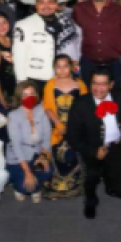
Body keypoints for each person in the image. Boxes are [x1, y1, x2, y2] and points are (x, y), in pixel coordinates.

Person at [66, 67, 121, 219]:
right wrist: (93, 151)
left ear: (111, 85)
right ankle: (90, 199)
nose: (98, 88)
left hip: (115, 146)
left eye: (103, 84)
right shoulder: (80, 104)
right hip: (92, 148)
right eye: (95, 83)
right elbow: (73, 137)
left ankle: (109, 177)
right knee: (91, 175)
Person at [13, 0, 79, 91]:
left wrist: (75, 72)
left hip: (62, 78)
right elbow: (19, 58)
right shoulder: (23, 25)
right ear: (35, 5)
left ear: (56, 4)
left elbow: (74, 49)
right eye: (41, 2)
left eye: (50, 2)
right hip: (35, 80)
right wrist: (22, 85)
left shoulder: (67, 22)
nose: (46, 6)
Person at [72, 0, 121, 86]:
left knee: (116, 97)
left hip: (114, 64)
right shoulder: (79, 9)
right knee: (88, 98)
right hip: (88, 62)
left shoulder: (119, 10)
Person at [42, 55, 87, 199]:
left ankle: (73, 184)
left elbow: (85, 107)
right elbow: (48, 107)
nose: (62, 70)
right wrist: (57, 123)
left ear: (71, 68)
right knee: (58, 152)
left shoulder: (79, 84)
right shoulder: (50, 84)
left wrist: (77, 126)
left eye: (65, 66)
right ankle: (57, 184)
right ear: (54, 68)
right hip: (57, 126)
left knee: (73, 153)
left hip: (75, 127)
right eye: (58, 66)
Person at [6, 81, 54, 203]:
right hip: (18, 157)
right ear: (19, 97)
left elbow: (47, 137)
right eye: (25, 94)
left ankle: (36, 188)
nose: (30, 97)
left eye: (32, 93)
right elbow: (16, 146)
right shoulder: (13, 116)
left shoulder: (41, 110)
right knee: (23, 186)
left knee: (48, 170)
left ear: (37, 95)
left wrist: (43, 156)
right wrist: (27, 172)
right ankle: (18, 188)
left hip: (37, 153)